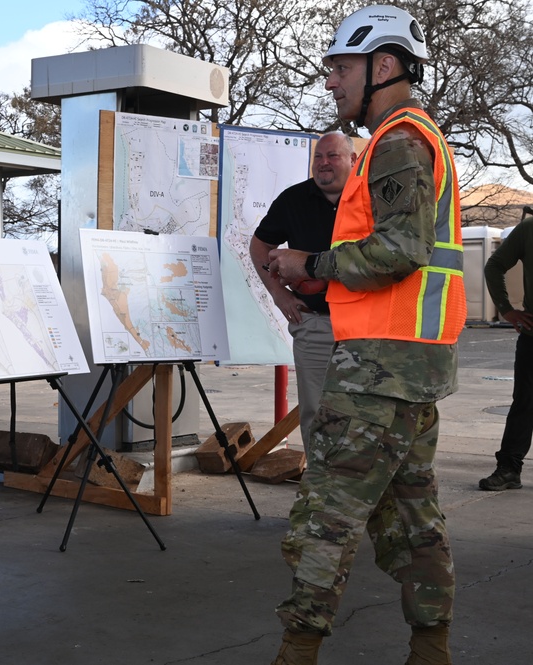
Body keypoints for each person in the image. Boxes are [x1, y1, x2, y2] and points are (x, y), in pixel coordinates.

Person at [264, 6, 466, 664]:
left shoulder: (398, 139)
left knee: (326, 514)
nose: (330, 82)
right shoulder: (412, 137)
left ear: (383, 66)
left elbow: (401, 250)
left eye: (340, 68)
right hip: (411, 368)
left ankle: (296, 651)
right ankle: (429, 648)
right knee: (412, 514)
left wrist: (309, 265)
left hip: (377, 371)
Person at [250, 131, 357, 454]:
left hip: (366, 325)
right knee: (316, 413)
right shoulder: (293, 199)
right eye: (318, 157)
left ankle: (358, 494)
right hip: (316, 323)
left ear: (353, 159)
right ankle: (320, 492)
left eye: (333, 156)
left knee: (363, 415)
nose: (323, 163)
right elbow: (259, 246)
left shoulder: (369, 199)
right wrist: (278, 294)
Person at [479, 205, 533, 491]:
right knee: (524, 403)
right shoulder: (529, 228)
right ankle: (509, 468)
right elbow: (494, 265)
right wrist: (506, 310)